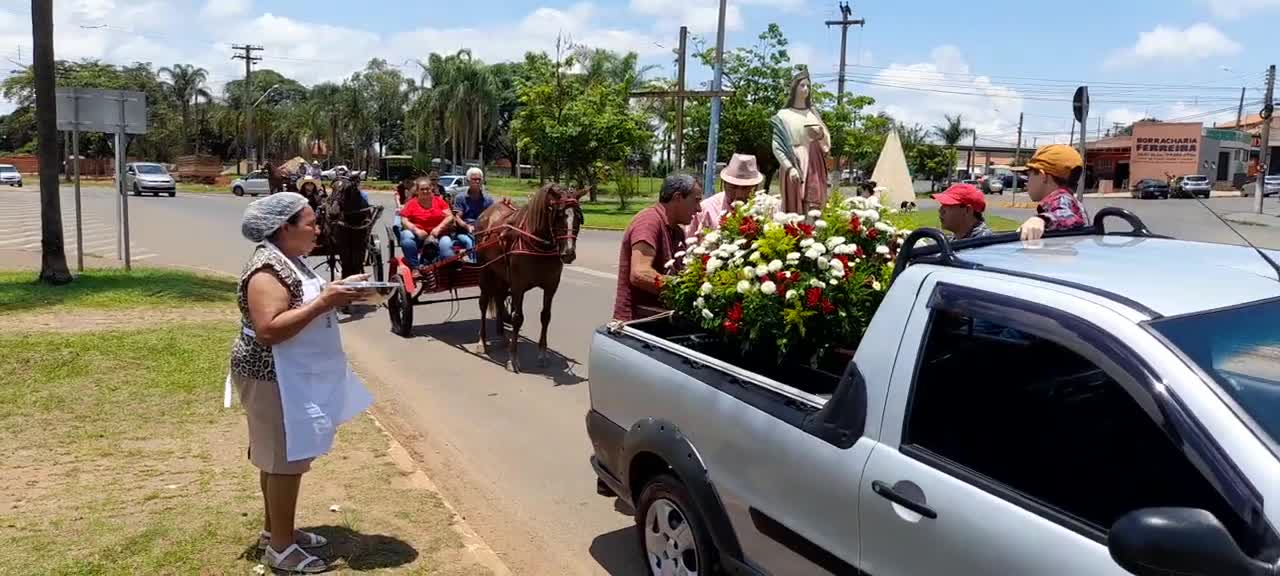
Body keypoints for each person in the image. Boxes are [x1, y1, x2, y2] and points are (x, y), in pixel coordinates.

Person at [230, 192, 373, 574]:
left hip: (291, 372)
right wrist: (325, 302)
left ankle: (276, 530)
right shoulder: (266, 271)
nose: (318, 229)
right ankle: (280, 549)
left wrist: (342, 288)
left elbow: (302, 300)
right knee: (284, 460)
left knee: (280, 458)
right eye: (310, 223)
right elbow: (268, 330)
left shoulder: (289, 261)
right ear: (283, 228)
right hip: (272, 374)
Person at [613, 173, 703, 322]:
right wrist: (682, 290)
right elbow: (639, 274)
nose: (699, 209)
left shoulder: (678, 232)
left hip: (659, 324)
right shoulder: (649, 222)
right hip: (635, 326)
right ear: (677, 198)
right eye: (696, 201)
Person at [771, 68, 832, 214]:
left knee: (814, 204)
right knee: (795, 207)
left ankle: (813, 230)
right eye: (802, 85)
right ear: (794, 88)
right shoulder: (783, 115)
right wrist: (789, 167)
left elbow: (827, 143)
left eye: (808, 86)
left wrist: (820, 134)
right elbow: (777, 144)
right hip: (794, 161)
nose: (806, 89)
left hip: (814, 163)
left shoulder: (813, 113)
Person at [1012, 144, 1088, 241]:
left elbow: (1066, 216)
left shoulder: (1060, 199)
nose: (1027, 181)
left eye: (1029, 175)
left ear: (1043, 176)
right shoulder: (1071, 200)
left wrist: (1042, 219)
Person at [398, 177, 474, 266]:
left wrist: (438, 229)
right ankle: (415, 267)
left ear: (431, 189)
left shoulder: (439, 201)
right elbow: (404, 220)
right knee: (406, 238)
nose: (425, 191)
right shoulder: (411, 204)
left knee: (446, 250)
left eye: (427, 189)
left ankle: (445, 271)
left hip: (439, 235)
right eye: (422, 189)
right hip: (419, 237)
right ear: (417, 191)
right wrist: (416, 230)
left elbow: (449, 216)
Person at [685, 153, 762, 238]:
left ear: (756, 187)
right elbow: (688, 242)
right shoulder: (705, 209)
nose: (739, 194)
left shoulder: (767, 209)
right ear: (724, 184)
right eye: (733, 187)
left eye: (745, 188)